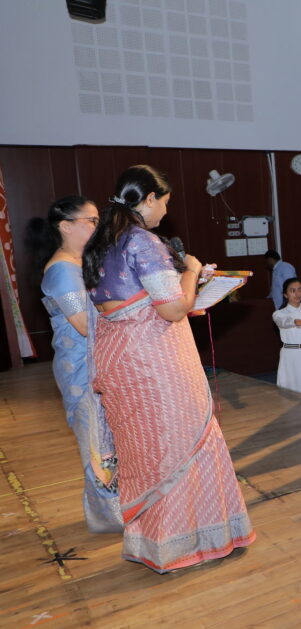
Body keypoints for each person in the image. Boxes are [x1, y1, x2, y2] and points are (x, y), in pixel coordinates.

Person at [83, 165, 255, 572]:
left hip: (120, 361)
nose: (164, 211)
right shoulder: (144, 241)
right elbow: (174, 308)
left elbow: (135, 298)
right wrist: (193, 271)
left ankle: (151, 543)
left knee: (144, 451)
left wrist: (184, 279)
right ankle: (189, 541)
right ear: (146, 199)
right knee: (182, 445)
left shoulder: (103, 241)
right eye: (163, 202)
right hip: (155, 363)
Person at [38, 196, 121, 533]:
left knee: (110, 441)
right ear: (65, 226)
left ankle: (118, 509)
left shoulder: (80, 263)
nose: (97, 226)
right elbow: (85, 323)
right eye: (90, 220)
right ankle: (109, 518)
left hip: (97, 362)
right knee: (96, 445)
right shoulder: (61, 269)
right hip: (80, 369)